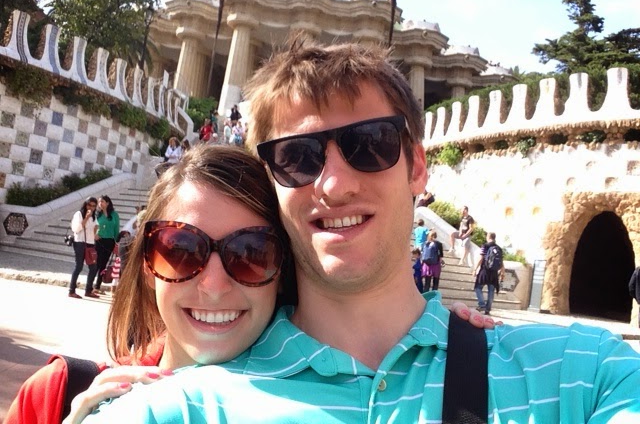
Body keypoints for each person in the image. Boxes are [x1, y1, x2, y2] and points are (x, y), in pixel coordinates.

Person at [85, 42, 640, 423]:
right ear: (271, 185)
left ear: (417, 167)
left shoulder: (582, 372)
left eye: (369, 145)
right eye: (297, 158)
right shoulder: (177, 408)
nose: (334, 184)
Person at [5, 145, 295, 424]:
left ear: (282, 272)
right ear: (148, 266)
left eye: (251, 252)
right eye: (181, 249)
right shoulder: (53, 396)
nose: (214, 286)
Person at [68, 197, 99, 299]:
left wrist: (96, 231)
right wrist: (86, 218)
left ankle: (88, 290)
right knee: (79, 266)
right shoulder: (79, 214)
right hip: (80, 242)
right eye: (89, 205)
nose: (91, 208)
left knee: (93, 267)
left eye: (94, 206)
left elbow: (95, 228)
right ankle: (71, 290)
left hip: (90, 243)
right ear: (85, 204)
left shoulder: (94, 216)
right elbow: (76, 229)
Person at [92, 195, 120, 294]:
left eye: (102, 201)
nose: (100, 204)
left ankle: (97, 286)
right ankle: (90, 285)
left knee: (103, 264)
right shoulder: (97, 214)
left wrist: (117, 242)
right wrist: (94, 235)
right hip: (99, 240)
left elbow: (116, 229)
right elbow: (92, 226)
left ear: (107, 203)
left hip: (110, 241)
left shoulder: (114, 215)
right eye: (99, 202)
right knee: (97, 263)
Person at [472, 231, 504, 315]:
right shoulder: (499, 248)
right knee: (491, 291)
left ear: (488, 237)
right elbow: (501, 262)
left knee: (478, 287)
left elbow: (481, 258)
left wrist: (475, 269)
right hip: (494, 273)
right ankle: (488, 309)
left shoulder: (485, 246)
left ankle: (482, 304)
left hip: (485, 271)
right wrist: (502, 272)